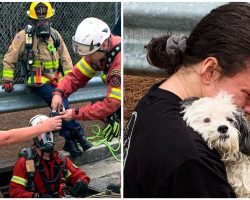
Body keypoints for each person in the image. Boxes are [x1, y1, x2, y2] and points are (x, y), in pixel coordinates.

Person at [123, 2, 250, 198]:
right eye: (248, 95)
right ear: (210, 71)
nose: (249, 109)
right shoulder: (193, 159)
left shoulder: (155, 100)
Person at [1, 2, 92, 156]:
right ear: (32, 21)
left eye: (45, 21)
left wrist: (70, 81)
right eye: (39, 21)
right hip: (38, 80)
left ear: (50, 19)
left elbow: (66, 59)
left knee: (60, 104)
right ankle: (78, 134)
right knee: (57, 102)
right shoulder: (23, 37)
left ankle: (70, 140)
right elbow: (10, 59)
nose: (42, 24)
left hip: (57, 79)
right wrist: (8, 79)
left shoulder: (55, 35)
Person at [51, 17, 121, 142]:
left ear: (104, 44)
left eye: (89, 52)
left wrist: (75, 114)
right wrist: (58, 93)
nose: (85, 56)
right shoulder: (98, 54)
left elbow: (112, 103)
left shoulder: (119, 62)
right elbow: (75, 77)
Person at [9, 114, 90, 198]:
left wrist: (82, 182)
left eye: (49, 132)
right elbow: (15, 192)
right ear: (34, 136)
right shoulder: (25, 163)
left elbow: (79, 175)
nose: (47, 136)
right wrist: (36, 197)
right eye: (42, 133)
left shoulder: (60, 159)